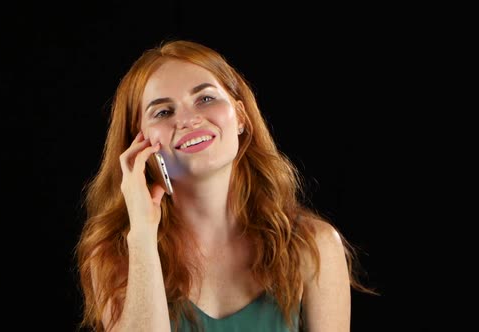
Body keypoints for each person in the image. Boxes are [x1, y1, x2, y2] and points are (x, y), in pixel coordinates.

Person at [75, 39, 375, 332]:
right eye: (164, 112)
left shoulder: (314, 245)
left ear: (241, 117)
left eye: (205, 98)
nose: (189, 120)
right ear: (137, 144)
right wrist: (142, 233)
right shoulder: (114, 256)